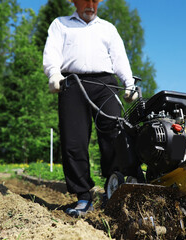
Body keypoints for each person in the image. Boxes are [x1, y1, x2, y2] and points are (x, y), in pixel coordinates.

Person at [43, 0, 138, 217]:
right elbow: (52, 52)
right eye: (85, 0)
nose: (90, 5)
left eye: (94, 1)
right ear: (74, 2)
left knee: (115, 134)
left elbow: (120, 58)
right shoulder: (61, 24)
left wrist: (129, 83)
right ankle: (84, 197)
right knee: (73, 140)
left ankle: (114, 188)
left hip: (105, 84)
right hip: (72, 83)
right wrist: (54, 74)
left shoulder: (108, 28)